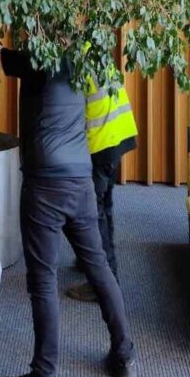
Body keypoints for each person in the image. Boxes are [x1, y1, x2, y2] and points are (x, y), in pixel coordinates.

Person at [0, 17, 137, 377]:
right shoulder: (82, 62)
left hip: (45, 182)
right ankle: (125, 356)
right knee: (98, 266)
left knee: (43, 281)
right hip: (80, 176)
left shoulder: (35, 59)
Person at [66, 67, 138, 300]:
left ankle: (104, 282)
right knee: (103, 206)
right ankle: (91, 262)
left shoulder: (72, 62)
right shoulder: (93, 50)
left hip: (101, 143)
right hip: (118, 134)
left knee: (92, 213)